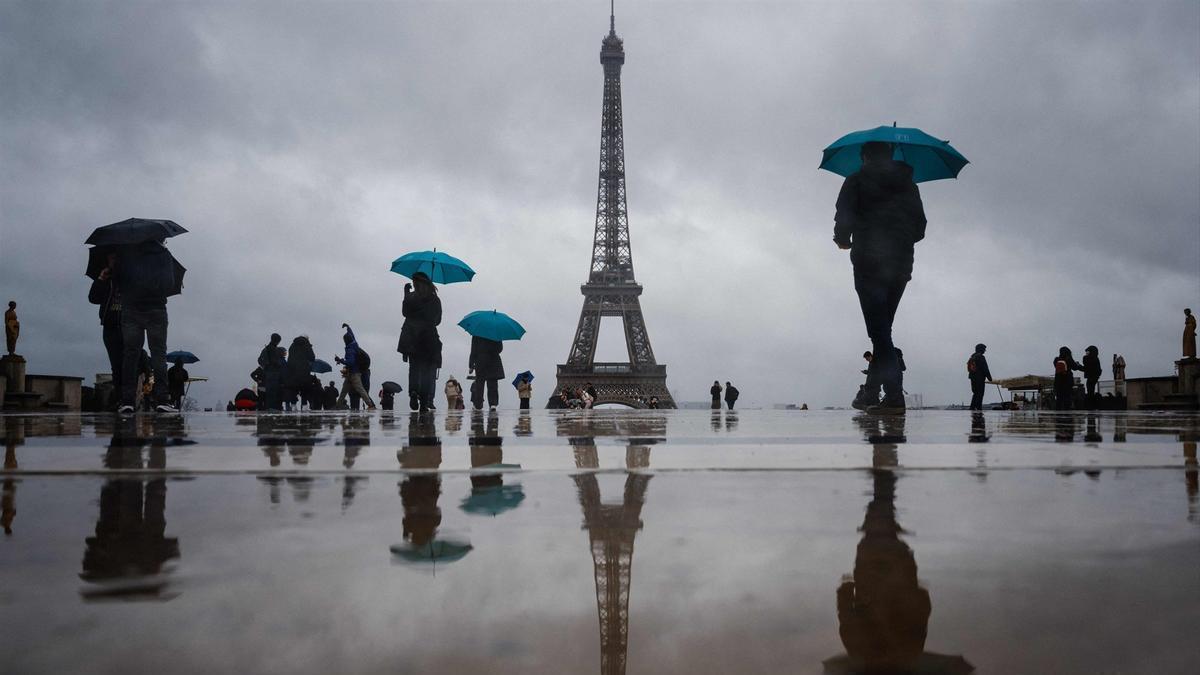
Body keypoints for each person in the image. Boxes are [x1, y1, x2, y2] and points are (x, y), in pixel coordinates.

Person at [834, 141, 927, 414]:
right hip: (900, 266)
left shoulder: (856, 180)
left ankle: (894, 395)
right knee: (882, 331)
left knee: (879, 331)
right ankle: (870, 394)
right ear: (891, 155)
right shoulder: (909, 185)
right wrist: (899, 240)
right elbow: (920, 227)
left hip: (869, 263)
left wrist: (843, 240)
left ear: (864, 156)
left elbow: (844, 216)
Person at [116, 241, 178, 413]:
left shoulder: (127, 254)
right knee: (158, 354)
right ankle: (162, 399)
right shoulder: (163, 255)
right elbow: (169, 283)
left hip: (131, 309)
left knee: (130, 354)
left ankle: (127, 400)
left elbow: (119, 281)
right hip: (156, 309)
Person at [398, 272, 442, 411]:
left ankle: (413, 392)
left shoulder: (411, 297)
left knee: (414, 367)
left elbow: (405, 313)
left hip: (411, 337)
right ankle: (423, 401)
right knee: (426, 370)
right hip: (428, 338)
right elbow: (438, 320)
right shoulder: (434, 299)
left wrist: (405, 294)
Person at [87, 255, 123, 410]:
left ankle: (126, 398)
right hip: (110, 326)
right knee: (116, 365)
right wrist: (101, 278)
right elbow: (93, 298)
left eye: (115, 258)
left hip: (129, 325)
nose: (113, 261)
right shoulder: (107, 279)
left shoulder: (130, 278)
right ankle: (120, 398)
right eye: (111, 258)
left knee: (128, 364)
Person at [335, 325, 376, 410]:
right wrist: (348, 327)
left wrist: (341, 360)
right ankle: (338, 405)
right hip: (351, 373)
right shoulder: (354, 343)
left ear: (345, 341)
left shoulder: (350, 350)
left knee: (360, 389)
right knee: (344, 390)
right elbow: (351, 334)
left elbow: (351, 362)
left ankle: (370, 405)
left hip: (354, 374)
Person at [468, 336, 504, 410]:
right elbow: (500, 349)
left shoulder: (477, 334)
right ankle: (493, 404)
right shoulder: (496, 332)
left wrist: (471, 365)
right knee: (492, 383)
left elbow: (473, 350)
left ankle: (478, 404)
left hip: (481, 360)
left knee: (479, 384)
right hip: (493, 360)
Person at [283, 336, 316, 409]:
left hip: (293, 370)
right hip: (304, 370)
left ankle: (293, 405)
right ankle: (304, 406)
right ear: (307, 340)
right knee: (304, 389)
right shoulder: (307, 345)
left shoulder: (292, 345)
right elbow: (312, 357)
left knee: (294, 389)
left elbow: (290, 358)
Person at [257, 334, 286, 411]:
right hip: (274, 374)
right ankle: (273, 409)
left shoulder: (266, 349)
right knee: (274, 393)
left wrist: (265, 366)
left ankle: (270, 409)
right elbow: (276, 362)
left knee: (270, 393)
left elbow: (260, 360)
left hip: (269, 373)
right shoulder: (274, 350)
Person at [1053, 346, 1083, 411]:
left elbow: (1055, 366)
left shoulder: (1056, 360)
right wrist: (1077, 364)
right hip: (1067, 381)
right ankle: (1067, 411)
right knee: (1067, 397)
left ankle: (1058, 411)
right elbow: (1074, 368)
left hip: (1058, 381)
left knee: (1059, 397)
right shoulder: (1069, 359)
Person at [967, 343, 993, 411]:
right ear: (980, 349)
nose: (985, 350)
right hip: (979, 378)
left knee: (975, 393)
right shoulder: (981, 357)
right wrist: (989, 378)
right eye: (984, 349)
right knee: (980, 393)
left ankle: (972, 407)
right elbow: (985, 368)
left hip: (972, 378)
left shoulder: (972, 357)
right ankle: (978, 407)